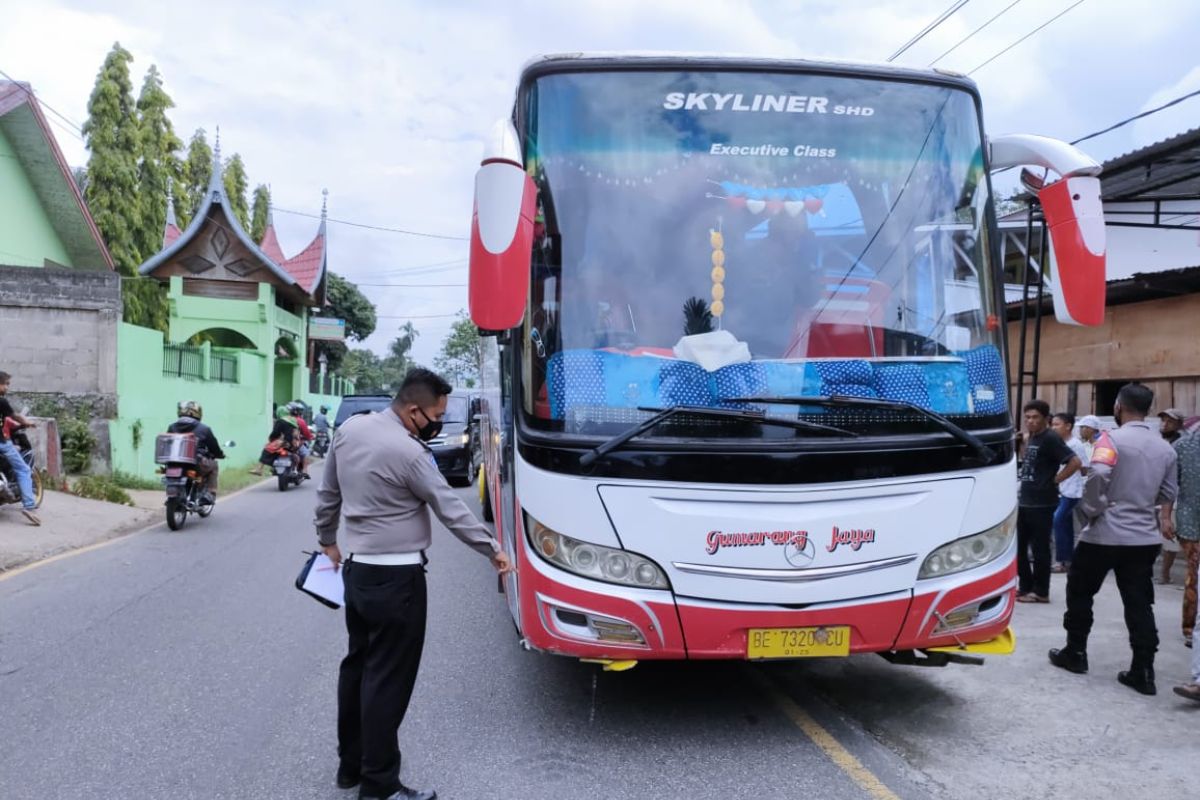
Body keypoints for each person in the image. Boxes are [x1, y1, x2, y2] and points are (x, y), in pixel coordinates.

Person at [314, 368, 514, 800]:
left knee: (358, 669)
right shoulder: (407, 452)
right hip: (398, 581)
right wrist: (492, 548)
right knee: (388, 680)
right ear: (412, 409)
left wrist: (327, 539)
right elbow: (449, 508)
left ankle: (350, 767)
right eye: (436, 414)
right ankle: (380, 785)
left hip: (359, 572)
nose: (439, 422)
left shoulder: (350, 430)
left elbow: (328, 492)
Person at [1049, 383, 1179, 696]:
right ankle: (1143, 670)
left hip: (1105, 534)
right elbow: (1168, 492)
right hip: (1143, 538)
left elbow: (1098, 473)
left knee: (1080, 591)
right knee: (1139, 602)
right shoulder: (1166, 448)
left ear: (1119, 407)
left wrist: (1093, 510)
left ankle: (1075, 652)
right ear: (1148, 409)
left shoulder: (1110, 438)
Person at [1017, 400, 1082, 603]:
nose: (1031, 421)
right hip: (1025, 500)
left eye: (1035, 417)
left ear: (1046, 419)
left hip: (1042, 503)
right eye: (1028, 417)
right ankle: (1026, 586)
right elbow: (1030, 463)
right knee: (1019, 548)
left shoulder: (1050, 438)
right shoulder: (1032, 438)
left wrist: (1055, 480)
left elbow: (1074, 462)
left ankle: (1041, 591)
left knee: (1040, 548)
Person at [0, 370, 40, 525]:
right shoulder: (2, 401)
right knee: (23, 470)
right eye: (5, 384)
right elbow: (14, 416)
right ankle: (29, 507)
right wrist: (28, 422)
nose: (7, 388)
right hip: (1, 443)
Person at [1050, 412, 1089, 573]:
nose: (1053, 428)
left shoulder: (1075, 444)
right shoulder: (1058, 443)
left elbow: (1084, 468)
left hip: (1071, 491)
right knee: (1064, 525)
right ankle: (1068, 560)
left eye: (1057, 424)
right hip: (1061, 490)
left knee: (1057, 521)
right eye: (1052, 424)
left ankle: (1061, 560)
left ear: (1068, 426)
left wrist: (1063, 476)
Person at [1173, 418, 1200, 647]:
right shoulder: (1183, 446)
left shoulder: (1182, 446)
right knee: (1194, 574)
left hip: (1189, 520)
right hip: (1190, 520)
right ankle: (1191, 627)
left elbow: (1171, 484)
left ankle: (1190, 627)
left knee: (1194, 575)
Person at [166, 400, 226, 502]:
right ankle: (210, 493)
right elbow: (213, 446)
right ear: (197, 412)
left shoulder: (172, 427)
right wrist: (219, 454)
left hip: (173, 463)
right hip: (196, 463)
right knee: (214, 465)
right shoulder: (204, 429)